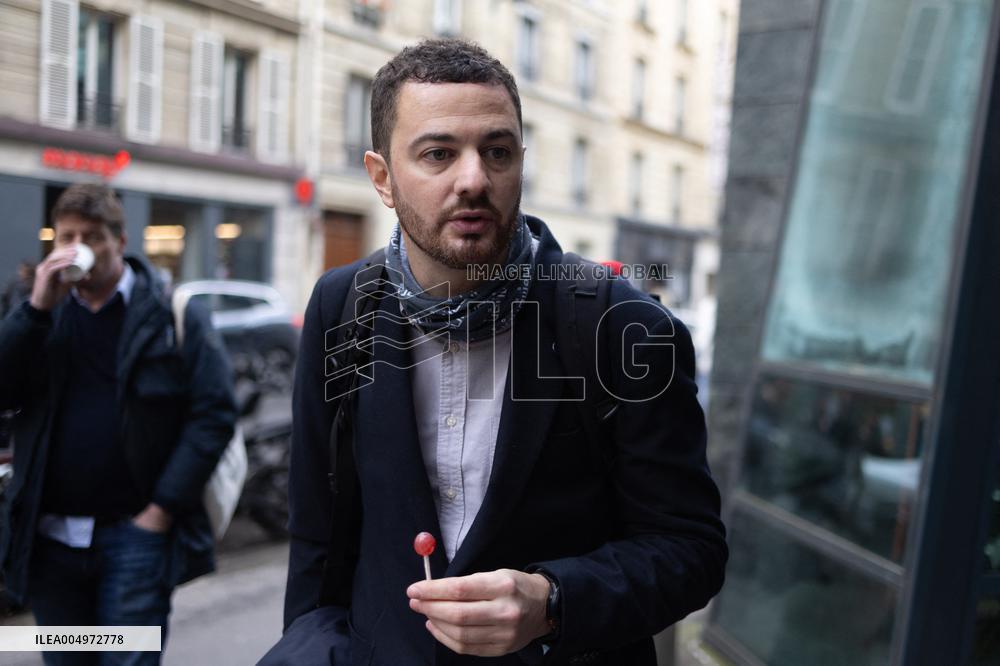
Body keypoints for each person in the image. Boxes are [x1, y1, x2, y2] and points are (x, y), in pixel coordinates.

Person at [270, 39, 727, 665]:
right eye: (438, 153)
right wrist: (308, 648)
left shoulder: (619, 322)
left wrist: (553, 601)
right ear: (382, 178)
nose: (475, 179)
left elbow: (690, 549)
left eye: (498, 151)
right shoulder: (342, 305)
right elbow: (318, 533)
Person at [0, 183, 237, 665]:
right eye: (66, 236)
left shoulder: (170, 313)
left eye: (91, 237)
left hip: (134, 539)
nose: (77, 248)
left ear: (120, 242)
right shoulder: (38, 312)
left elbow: (214, 414)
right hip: (51, 544)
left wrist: (160, 511)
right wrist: (35, 311)